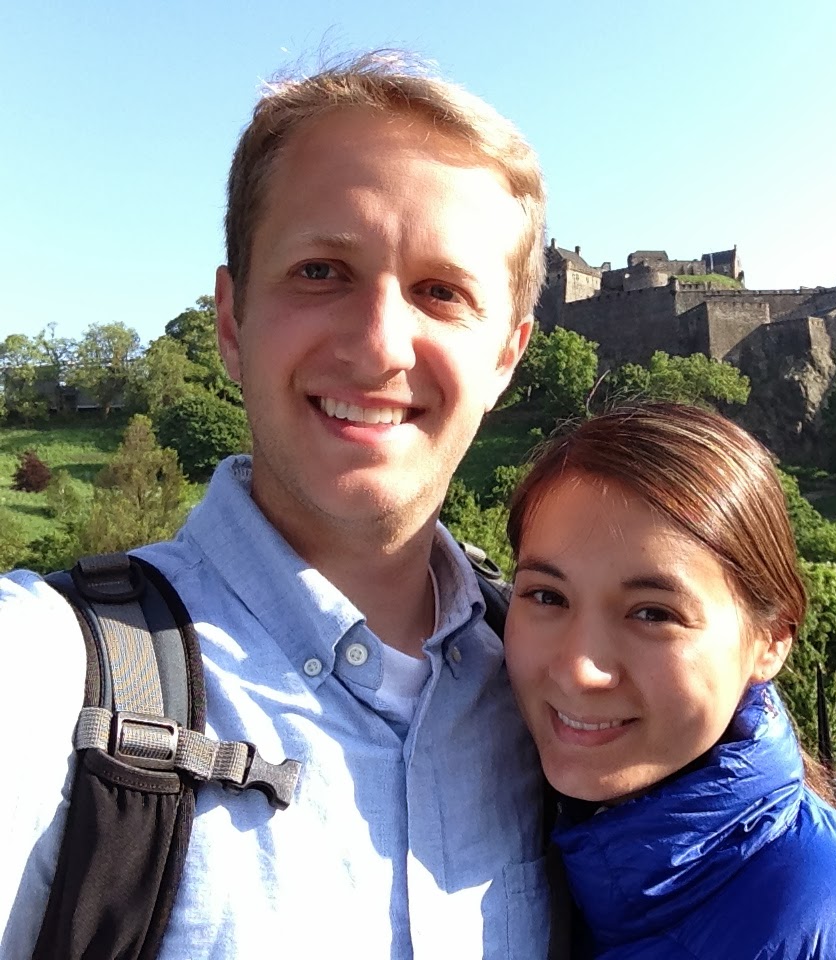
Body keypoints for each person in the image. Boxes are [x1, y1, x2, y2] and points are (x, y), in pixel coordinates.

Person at [1, 52, 553, 958]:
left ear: (506, 356)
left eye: (440, 292)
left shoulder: (555, 691)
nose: (380, 346)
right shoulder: (43, 679)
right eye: (321, 272)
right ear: (230, 322)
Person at [502, 402, 836, 959]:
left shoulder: (820, 927)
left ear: (770, 641)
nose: (579, 668)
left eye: (653, 613)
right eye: (547, 596)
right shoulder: (567, 855)